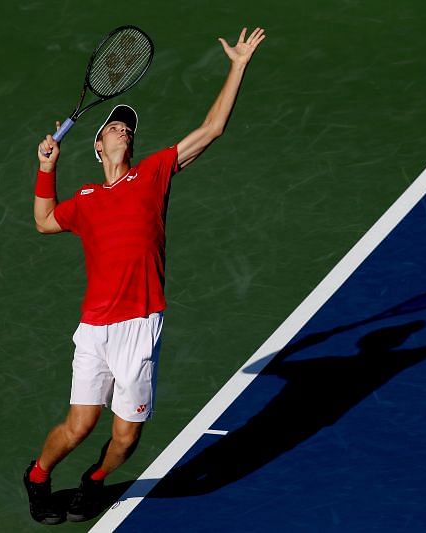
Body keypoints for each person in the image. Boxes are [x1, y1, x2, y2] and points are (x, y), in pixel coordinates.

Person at [23, 27, 266, 525]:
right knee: (78, 426)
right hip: (95, 328)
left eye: (128, 127)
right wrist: (46, 167)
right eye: (114, 126)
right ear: (96, 144)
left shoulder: (153, 173)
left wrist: (237, 65)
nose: (123, 130)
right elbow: (45, 220)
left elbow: (212, 129)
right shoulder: (87, 200)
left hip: (140, 325)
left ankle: (94, 482)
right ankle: (38, 476)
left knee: (126, 437)